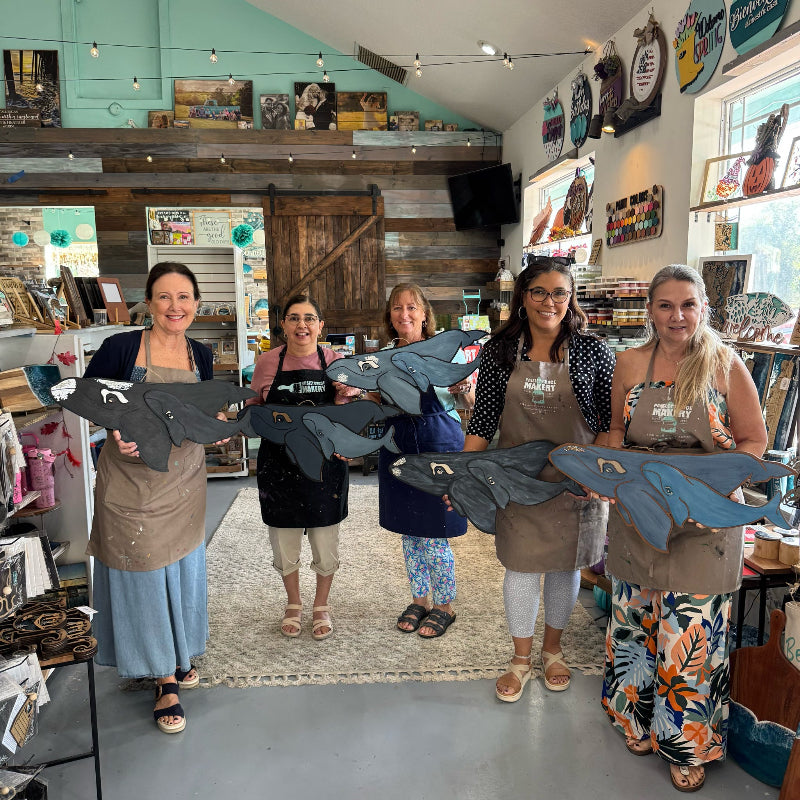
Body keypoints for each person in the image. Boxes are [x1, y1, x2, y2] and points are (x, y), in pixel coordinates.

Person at [601, 265, 767, 793]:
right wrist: (605, 473)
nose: (678, 316)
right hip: (641, 515)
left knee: (688, 636)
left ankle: (686, 744)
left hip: (705, 520)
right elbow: (615, 432)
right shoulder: (628, 363)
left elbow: (753, 442)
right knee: (638, 623)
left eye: (688, 305)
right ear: (650, 310)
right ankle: (638, 720)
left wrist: (710, 493)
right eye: (667, 305)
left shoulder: (725, 364)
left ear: (703, 309)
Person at [461, 256, 614, 700]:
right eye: (539, 292)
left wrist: (594, 470)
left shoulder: (593, 351)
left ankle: (554, 651)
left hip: (577, 479)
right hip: (516, 477)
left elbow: (608, 420)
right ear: (523, 296)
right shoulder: (500, 351)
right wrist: (463, 477)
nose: (550, 302)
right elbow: (483, 420)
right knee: (521, 566)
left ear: (571, 298)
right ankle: (520, 659)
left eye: (560, 293)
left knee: (566, 565)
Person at [85, 261, 221, 734]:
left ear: (197, 304)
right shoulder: (120, 348)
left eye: (184, 297)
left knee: (181, 566)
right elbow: (88, 397)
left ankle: (178, 653)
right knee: (142, 568)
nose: (174, 307)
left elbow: (201, 412)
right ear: (149, 303)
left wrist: (216, 430)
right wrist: (115, 427)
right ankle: (164, 677)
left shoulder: (201, 355)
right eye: (164, 297)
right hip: (130, 483)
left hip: (183, 481)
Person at [248, 295, 358, 640]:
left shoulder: (337, 361)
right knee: (284, 542)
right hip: (278, 466)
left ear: (321, 325)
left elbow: (350, 414)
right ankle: (293, 602)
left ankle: (321, 604)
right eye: (294, 318)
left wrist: (347, 392)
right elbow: (253, 411)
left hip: (325, 466)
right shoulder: (266, 363)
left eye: (310, 318)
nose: (302, 325)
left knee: (325, 544)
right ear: (283, 325)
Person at [379, 283, 474, 638]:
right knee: (409, 531)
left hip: (438, 448)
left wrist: (463, 390)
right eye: (397, 308)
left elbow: (470, 406)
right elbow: (380, 405)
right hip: (398, 448)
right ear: (390, 316)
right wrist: (358, 393)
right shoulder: (384, 357)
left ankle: (445, 605)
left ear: (424, 314)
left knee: (435, 533)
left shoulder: (448, 352)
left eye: (411, 307)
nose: (404, 314)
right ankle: (419, 599)